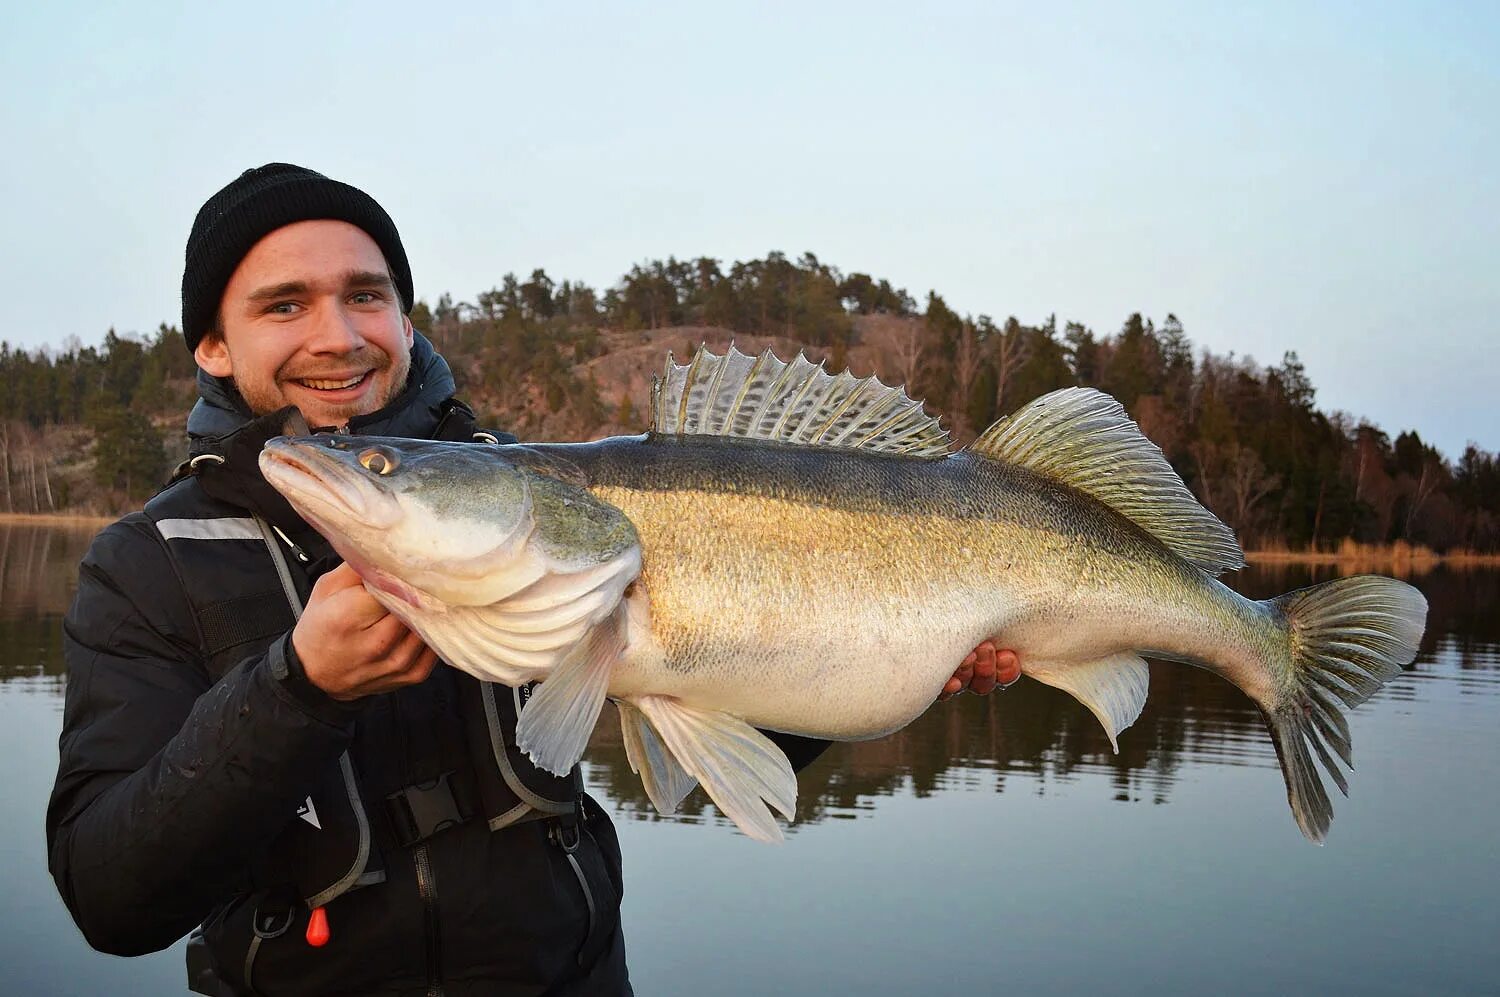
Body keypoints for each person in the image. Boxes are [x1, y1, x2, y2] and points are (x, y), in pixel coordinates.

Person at [45, 164, 1020, 996]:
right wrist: (299, 691)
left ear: (404, 313)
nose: (338, 334)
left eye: (367, 294)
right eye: (284, 304)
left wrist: (899, 651)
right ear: (213, 344)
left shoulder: (525, 491)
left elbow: (714, 722)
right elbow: (113, 900)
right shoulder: (147, 562)